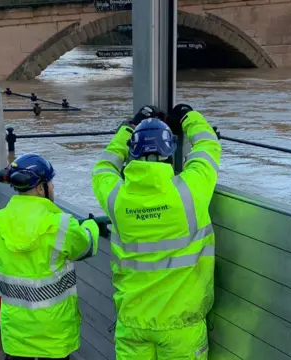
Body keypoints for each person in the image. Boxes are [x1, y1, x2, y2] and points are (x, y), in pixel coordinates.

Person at [91, 104, 222, 359]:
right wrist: (187, 115)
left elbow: (103, 167)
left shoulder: (117, 198)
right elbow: (208, 146)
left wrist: (128, 127)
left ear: (133, 151)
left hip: (132, 322)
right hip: (181, 326)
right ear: (170, 151)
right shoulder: (189, 192)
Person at [0, 153, 101, 360]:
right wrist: (91, 225)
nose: (53, 187)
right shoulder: (61, 225)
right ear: (40, 188)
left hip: (17, 336)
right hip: (54, 336)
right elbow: (85, 247)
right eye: (50, 183)